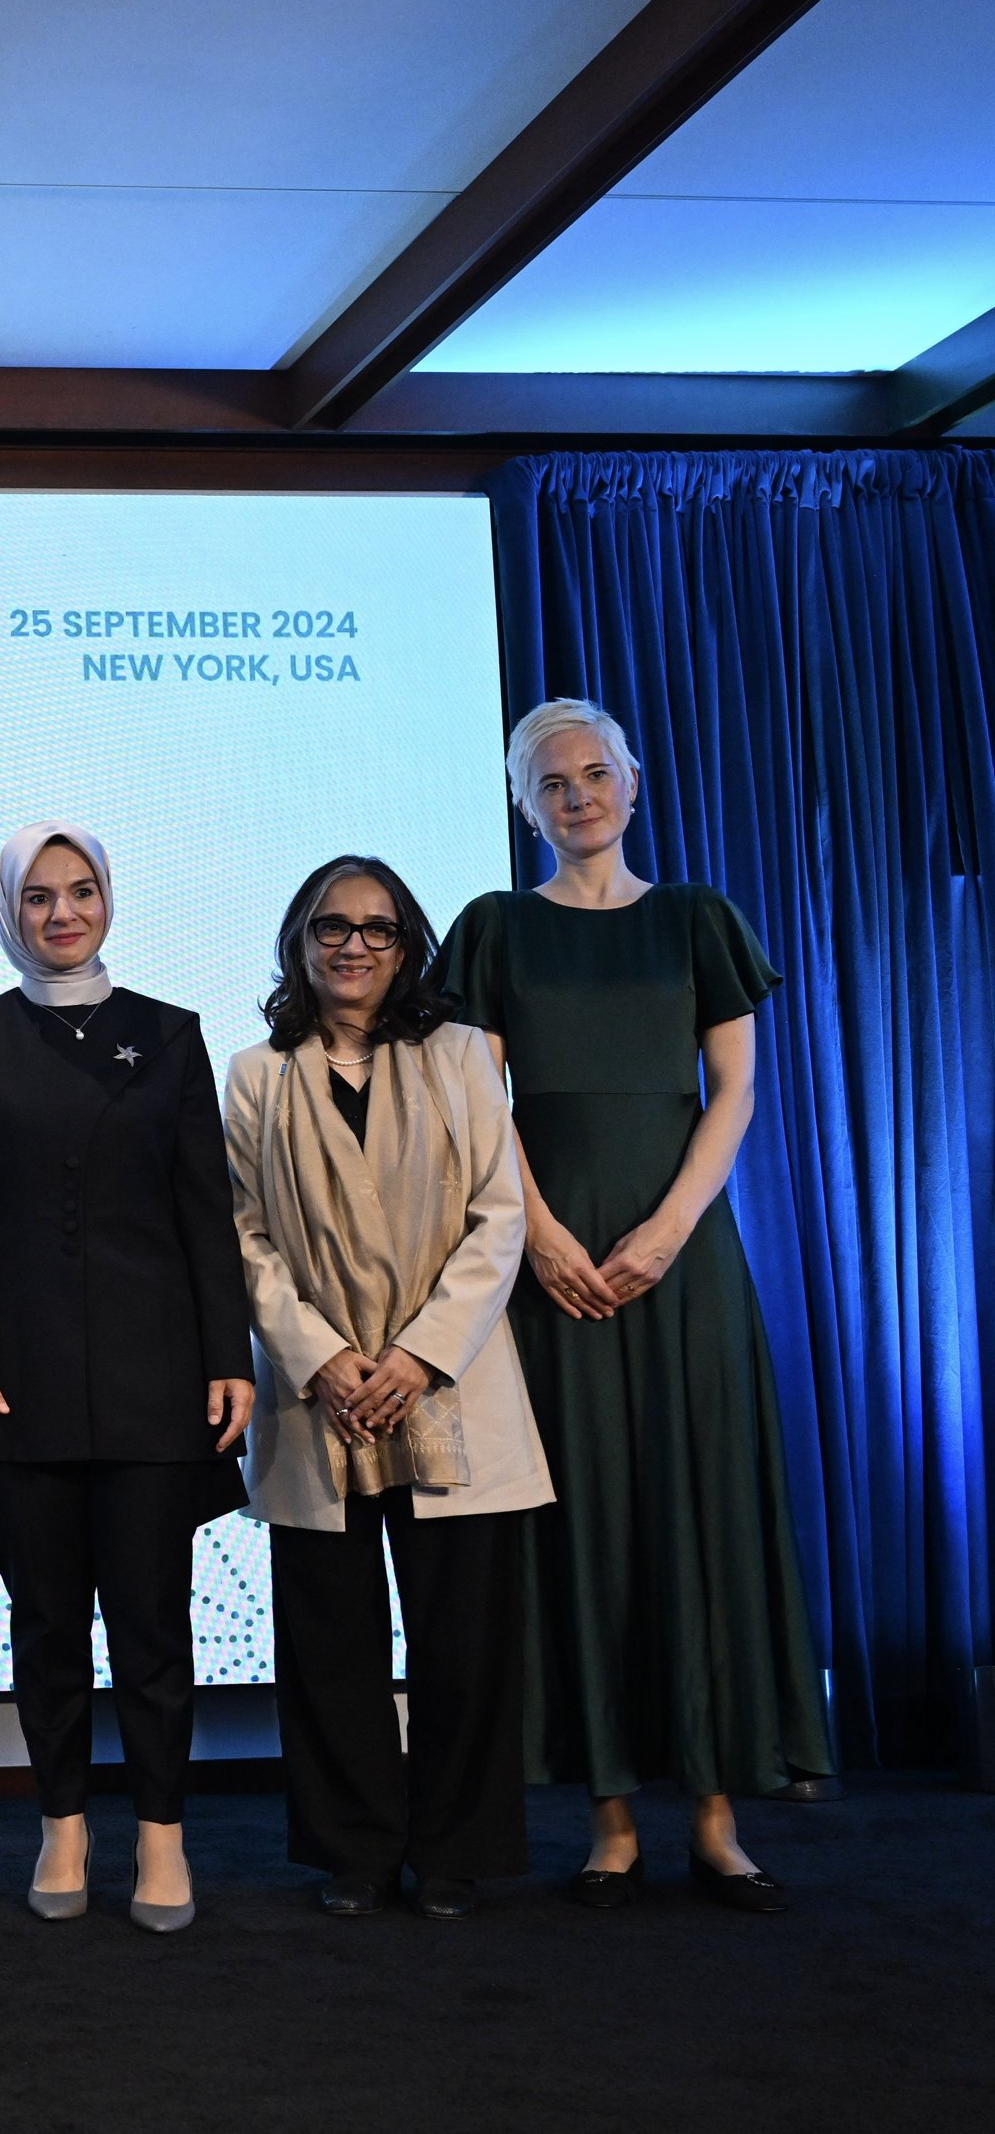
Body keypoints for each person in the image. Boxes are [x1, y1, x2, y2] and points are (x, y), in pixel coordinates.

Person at [432, 698, 832, 1913]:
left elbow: (734, 1091)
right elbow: (474, 1106)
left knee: (694, 1513)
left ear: (633, 781)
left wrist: (661, 1233)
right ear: (523, 805)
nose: (575, 796)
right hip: (544, 1272)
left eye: (592, 774)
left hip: (680, 1264)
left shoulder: (697, 916)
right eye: (549, 783)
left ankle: (713, 1816)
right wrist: (542, 1239)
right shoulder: (493, 928)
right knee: (581, 1523)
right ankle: (608, 1818)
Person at [0, 821, 254, 1933]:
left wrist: (229, 1357)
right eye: (36, 897)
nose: (59, 913)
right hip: (15, 1380)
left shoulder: (168, 1035)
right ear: (8, 909)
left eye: (78, 892)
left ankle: (160, 1836)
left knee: (154, 1625)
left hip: (154, 1376)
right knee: (45, 1621)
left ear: (106, 900)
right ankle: (60, 1824)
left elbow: (203, 1210)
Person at [225, 855, 551, 1922]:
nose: (352, 945)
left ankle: (453, 1849)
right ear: (298, 942)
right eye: (330, 927)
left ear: (406, 944)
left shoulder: (459, 1058)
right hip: (315, 1391)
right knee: (329, 1642)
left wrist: (416, 1356)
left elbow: (497, 1218)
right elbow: (243, 1238)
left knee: (463, 1636)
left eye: (375, 928)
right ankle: (353, 1849)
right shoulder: (254, 1076)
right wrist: (320, 1356)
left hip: (445, 1386)